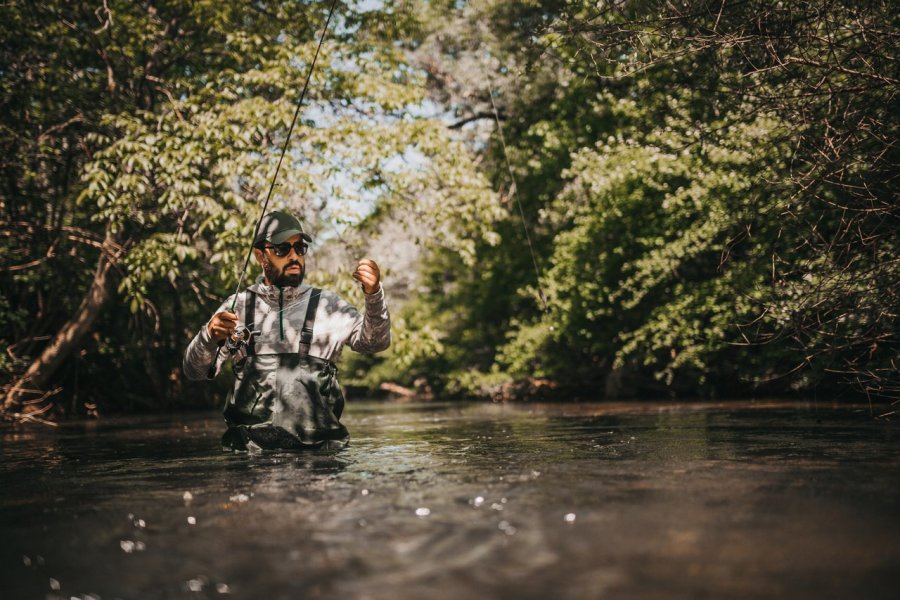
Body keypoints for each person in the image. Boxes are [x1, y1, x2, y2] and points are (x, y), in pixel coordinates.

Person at [183, 210, 390, 450]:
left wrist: (374, 295)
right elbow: (193, 371)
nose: (294, 256)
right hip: (250, 458)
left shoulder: (329, 305)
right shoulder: (237, 306)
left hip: (321, 458)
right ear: (261, 256)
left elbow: (376, 342)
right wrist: (208, 337)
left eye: (299, 248)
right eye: (282, 249)